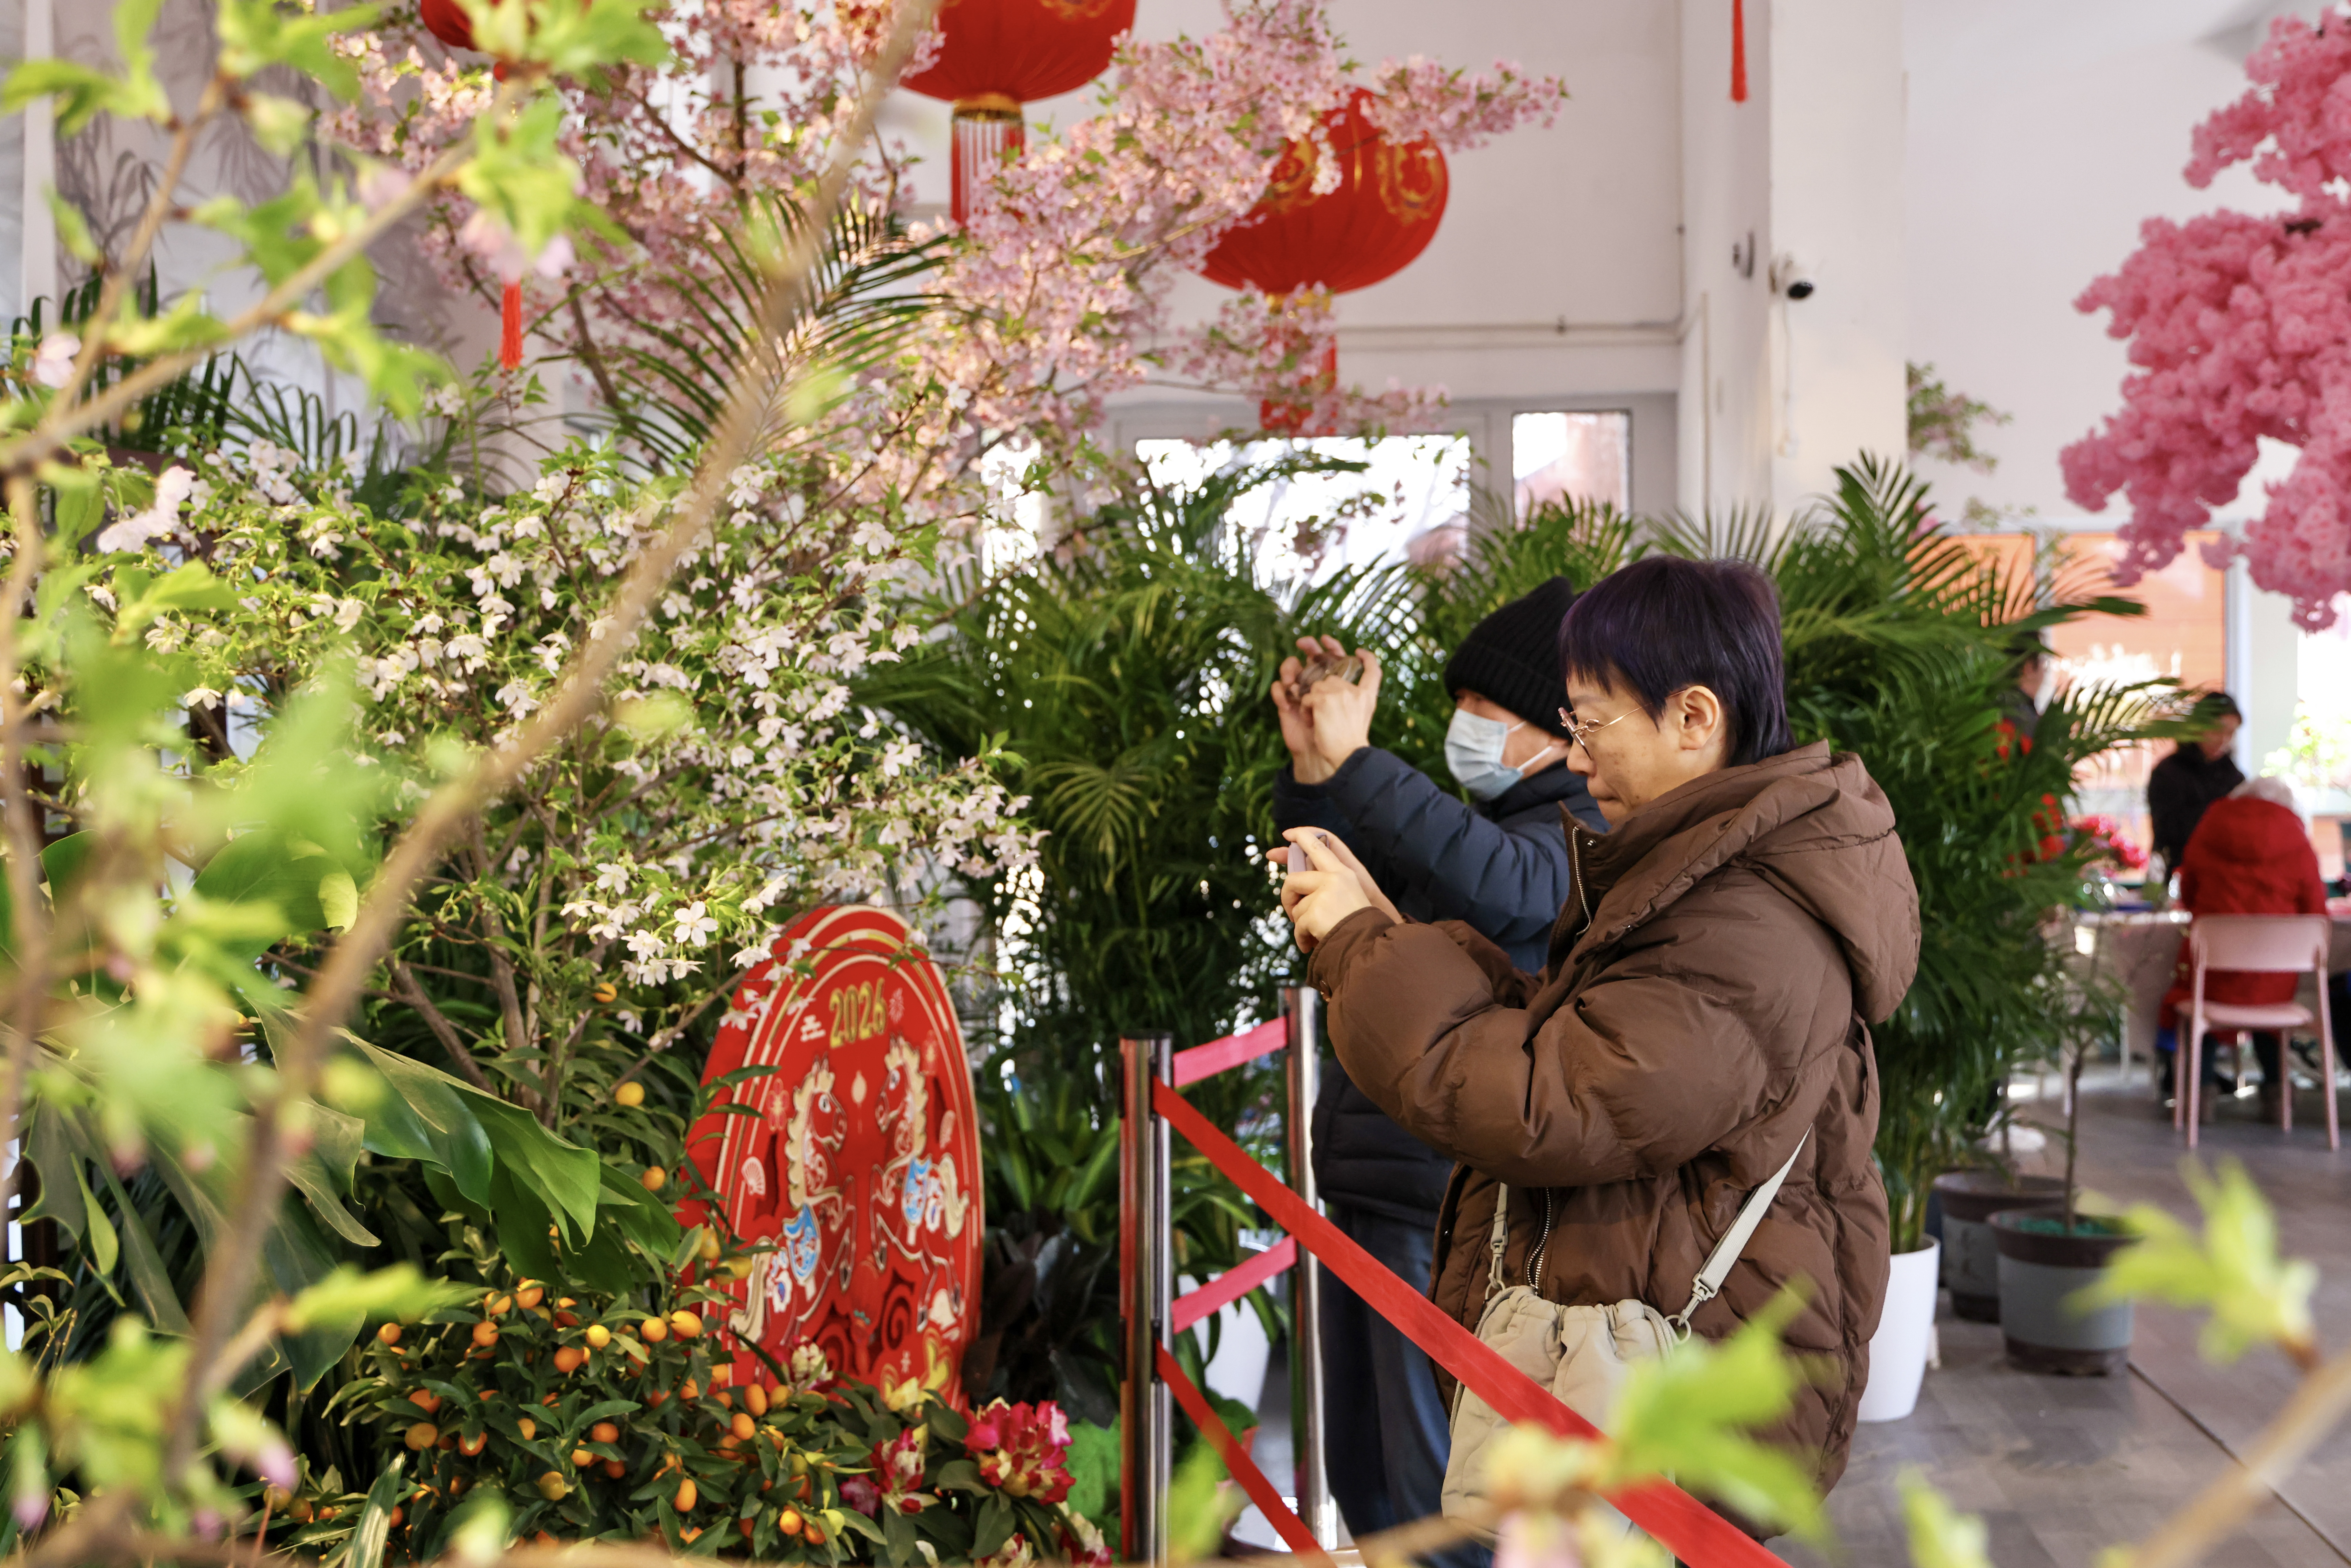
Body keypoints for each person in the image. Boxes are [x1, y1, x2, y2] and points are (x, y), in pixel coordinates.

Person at [1273, 556, 1916, 1534]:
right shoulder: (1700, 874)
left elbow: (1550, 1103)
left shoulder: (1745, 920)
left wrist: (1366, 945)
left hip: (1677, 1374)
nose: (1577, 758)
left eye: (1590, 724)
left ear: (1694, 718)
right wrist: (1375, 928)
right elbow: (1566, 1037)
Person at [1266, 576, 1605, 1562]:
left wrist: (1361, 758)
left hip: (1446, 1206)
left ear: (1556, 729)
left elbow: (1505, 880)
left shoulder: (1579, 833)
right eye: (1457, 708)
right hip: (1372, 1184)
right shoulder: (1465, 826)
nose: (1463, 729)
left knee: (1434, 1490)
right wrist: (1312, 769)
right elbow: (1326, 862)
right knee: (1363, 1472)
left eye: (1484, 713)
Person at [2155, 775, 2328, 1121]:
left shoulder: (2208, 829)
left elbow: (2188, 896)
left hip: (2214, 976)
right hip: (2274, 982)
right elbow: (2316, 911)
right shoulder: (2297, 839)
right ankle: (2279, 1096)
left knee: (2198, 999)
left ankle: (2198, 1096)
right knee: (2267, 1000)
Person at [2148, 692, 2245, 874]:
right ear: (2198, 726)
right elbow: (2168, 830)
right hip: (2177, 871)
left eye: (2230, 733)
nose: (2223, 740)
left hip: (2222, 874)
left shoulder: (2234, 777)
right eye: (2217, 730)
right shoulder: (2168, 772)